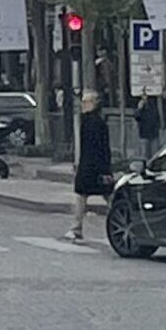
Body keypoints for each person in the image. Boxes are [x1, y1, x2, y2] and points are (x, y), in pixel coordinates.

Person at [64, 91, 112, 243]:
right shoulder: (91, 121)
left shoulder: (94, 123)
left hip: (92, 166)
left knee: (84, 196)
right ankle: (76, 228)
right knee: (95, 196)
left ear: (94, 103)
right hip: (90, 165)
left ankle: (76, 228)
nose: (83, 105)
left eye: (86, 102)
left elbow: (101, 147)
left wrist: (105, 170)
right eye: (83, 102)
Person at [134, 95, 162, 162]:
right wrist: (139, 108)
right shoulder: (140, 105)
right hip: (144, 134)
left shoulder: (154, 104)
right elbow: (137, 117)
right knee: (145, 155)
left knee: (155, 155)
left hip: (154, 133)